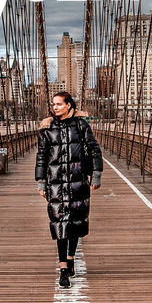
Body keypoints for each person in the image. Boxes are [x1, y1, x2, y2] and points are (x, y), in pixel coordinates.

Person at [35, 90, 103, 288]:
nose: (55, 107)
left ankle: (71, 257)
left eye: (59, 104)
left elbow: (94, 149)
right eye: (53, 104)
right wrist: (41, 181)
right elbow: (41, 156)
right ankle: (63, 269)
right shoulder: (46, 129)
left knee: (74, 223)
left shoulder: (81, 125)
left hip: (78, 181)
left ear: (69, 106)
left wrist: (96, 174)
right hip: (55, 183)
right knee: (60, 225)